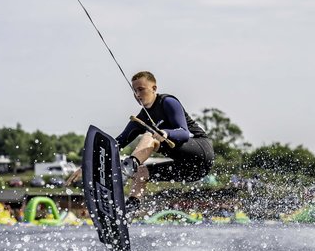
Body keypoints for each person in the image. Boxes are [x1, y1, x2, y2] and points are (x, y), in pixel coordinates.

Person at [67, 71, 214, 214]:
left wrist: (165, 133)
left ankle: (129, 166)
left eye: (141, 89)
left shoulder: (167, 102)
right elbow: (117, 143)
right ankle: (130, 209)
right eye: (134, 91)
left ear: (154, 88)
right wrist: (88, 165)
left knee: (149, 135)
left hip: (201, 151)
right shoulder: (141, 118)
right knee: (142, 172)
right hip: (191, 171)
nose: (137, 94)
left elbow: (183, 133)